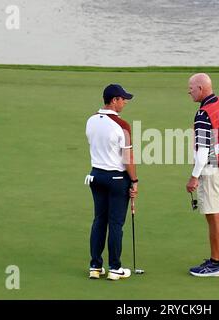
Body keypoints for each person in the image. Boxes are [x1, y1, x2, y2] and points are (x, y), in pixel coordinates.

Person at [186, 73, 219, 277]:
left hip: (213, 169)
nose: (188, 91)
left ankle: (216, 264)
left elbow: (201, 152)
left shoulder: (203, 114)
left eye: (191, 88)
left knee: (213, 215)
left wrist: (194, 176)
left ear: (201, 88)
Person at [84, 84, 139, 281]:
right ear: (114, 100)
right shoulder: (122, 125)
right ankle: (115, 267)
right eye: (123, 99)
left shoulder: (91, 120)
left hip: (95, 176)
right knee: (115, 223)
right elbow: (128, 158)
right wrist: (134, 180)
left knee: (99, 220)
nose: (125, 102)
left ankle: (95, 266)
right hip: (116, 178)